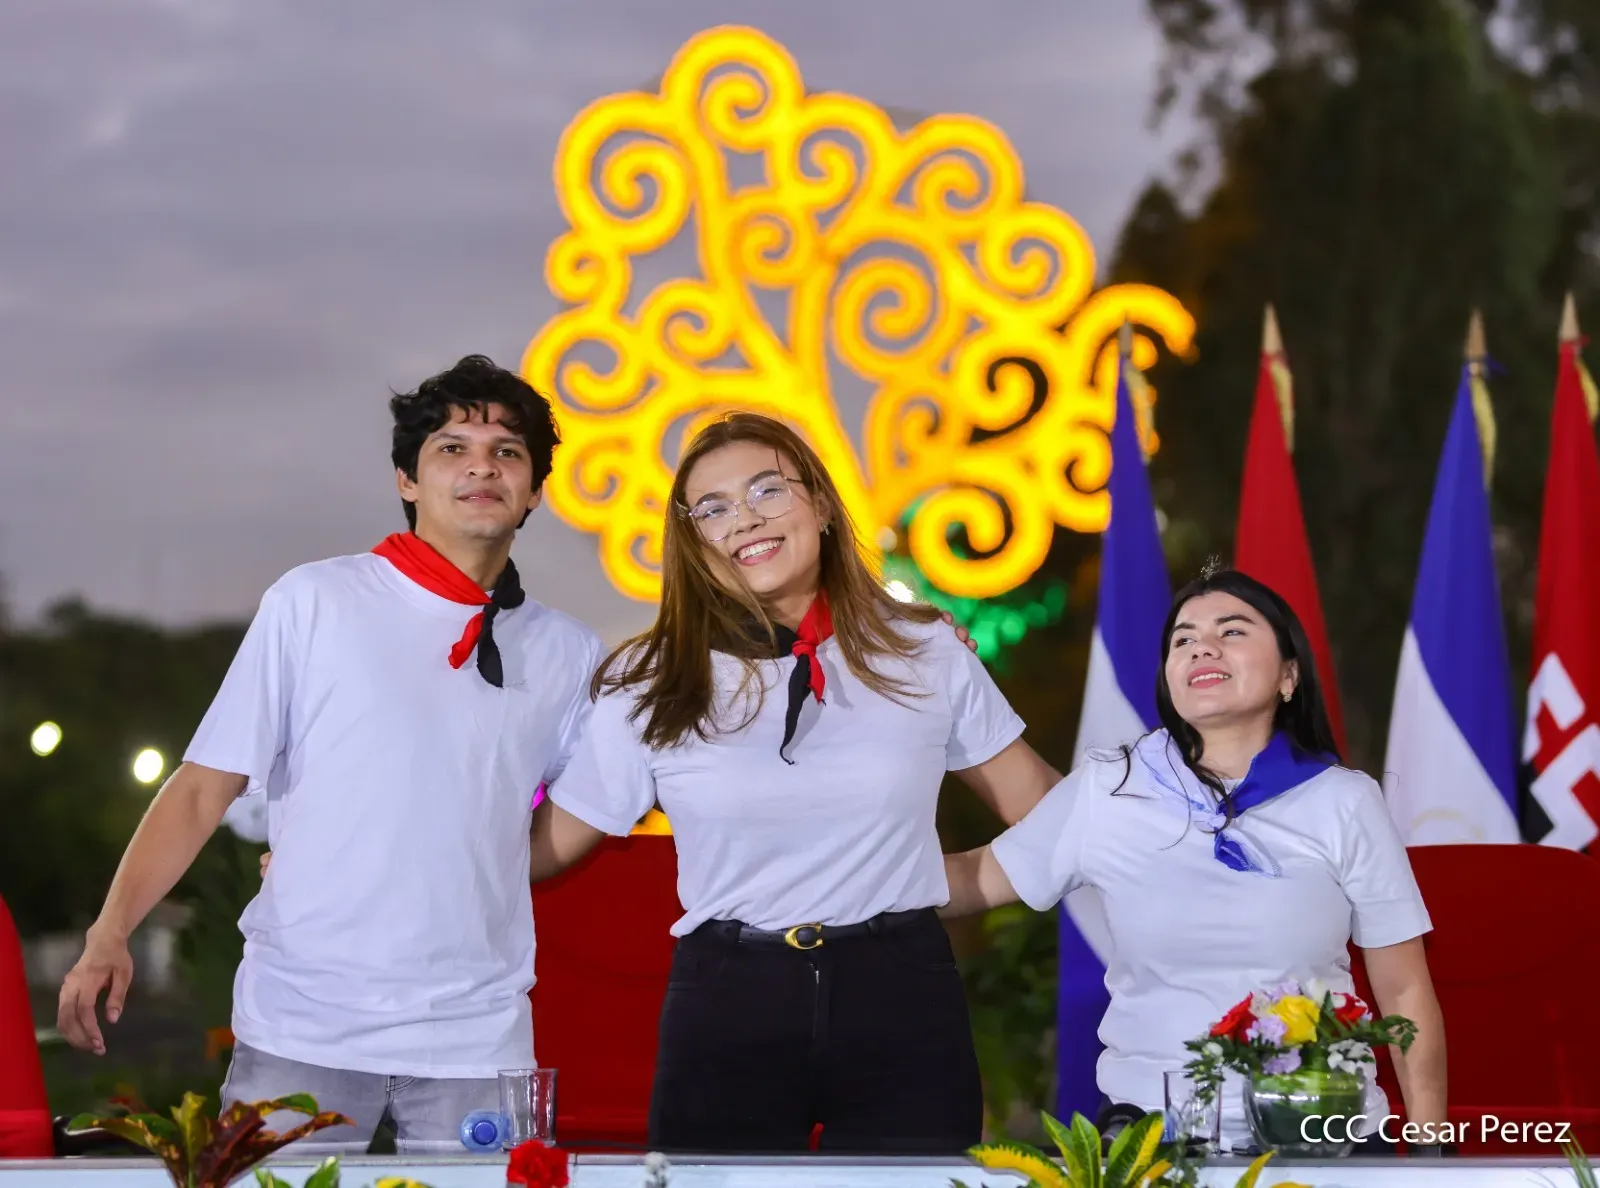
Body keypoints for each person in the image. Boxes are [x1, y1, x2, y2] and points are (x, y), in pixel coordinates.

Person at [56, 356, 603, 1153]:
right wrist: (110, 932)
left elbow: (563, 827)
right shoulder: (316, 601)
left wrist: (468, 859)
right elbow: (205, 787)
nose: (482, 464)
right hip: (303, 1025)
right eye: (453, 448)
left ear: (534, 491)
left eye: (508, 451)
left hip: (476, 1037)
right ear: (407, 481)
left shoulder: (567, 651)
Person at [527, 412, 1062, 1155]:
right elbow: (546, 847)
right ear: (694, 542)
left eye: (767, 490)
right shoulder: (650, 684)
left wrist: (942, 882)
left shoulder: (927, 650)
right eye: (712, 508)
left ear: (819, 505)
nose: (743, 517)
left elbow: (1049, 812)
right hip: (727, 1000)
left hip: (901, 991)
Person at [943, 566, 1448, 1153]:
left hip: (1323, 1132)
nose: (1202, 646)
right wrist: (837, 868)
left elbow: (1405, 989)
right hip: (1155, 1138)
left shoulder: (1344, 798)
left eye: (1232, 631)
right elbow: (973, 881)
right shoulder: (1112, 786)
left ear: (1289, 675)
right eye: (1183, 639)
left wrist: (1432, 1151)